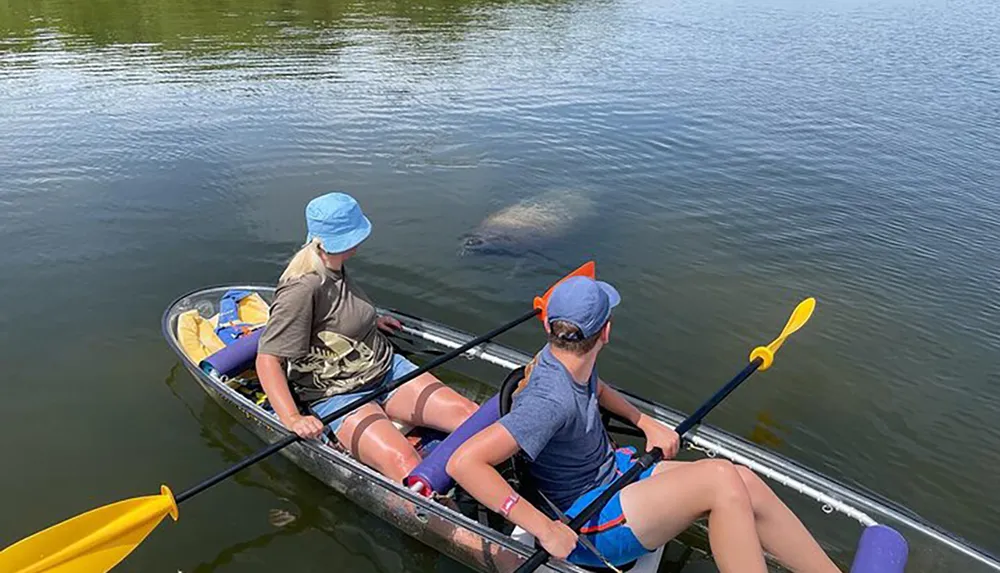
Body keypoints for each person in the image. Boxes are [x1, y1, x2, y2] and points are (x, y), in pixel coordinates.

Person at [446, 276, 841, 573]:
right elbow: (463, 463)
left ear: (554, 327)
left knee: (743, 479)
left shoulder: (563, 355)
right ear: (606, 332)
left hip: (613, 475)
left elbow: (596, 389)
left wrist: (644, 421)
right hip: (585, 521)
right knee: (720, 481)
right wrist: (543, 529)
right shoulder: (548, 401)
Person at [256, 191, 479, 483]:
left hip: (386, 369)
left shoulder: (335, 265)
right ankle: (460, 526)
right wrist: (293, 419)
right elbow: (268, 360)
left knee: (471, 417)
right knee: (407, 465)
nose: (359, 243)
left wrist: (370, 322)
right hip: (339, 392)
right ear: (332, 242)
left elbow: (337, 315)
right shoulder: (301, 288)